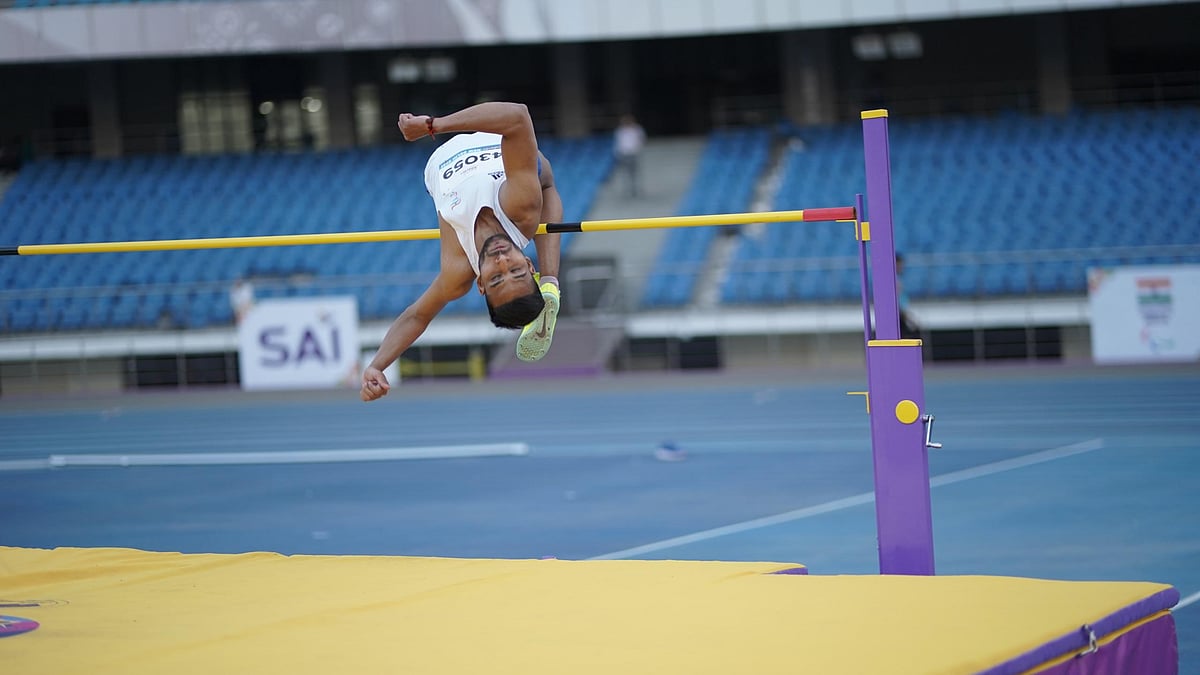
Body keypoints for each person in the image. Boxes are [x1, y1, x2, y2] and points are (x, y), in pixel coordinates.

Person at [360, 101, 563, 403]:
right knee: (542, 180)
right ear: (527, 262)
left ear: (480, 284)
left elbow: (418, 316)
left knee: (536, 191)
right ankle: (550, 278)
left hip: (440, 164)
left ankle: (548, 281)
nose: (502, 261)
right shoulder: (520, 208)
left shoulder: (457, 270)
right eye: (516, 270)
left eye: (496, 279)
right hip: (497, 144)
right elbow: (518, 115)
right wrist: (432, 125)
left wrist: (376, 365)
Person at [613, 114, 645, 198]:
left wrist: (637, 149)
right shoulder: (620, 131)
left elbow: (641, 139)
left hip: (633, 153)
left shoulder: (637, 129)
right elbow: (618, 142)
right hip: (624, 153)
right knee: (625, 172)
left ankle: (635, 189)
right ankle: (627, 190)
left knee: (634, 172)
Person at [895, 253, 920, 340]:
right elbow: (897, 302)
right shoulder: (895, 280)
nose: (902, 267)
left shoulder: (898, 278)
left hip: (902, 314)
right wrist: (907, 317)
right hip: (900, 315)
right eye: (900, 264)